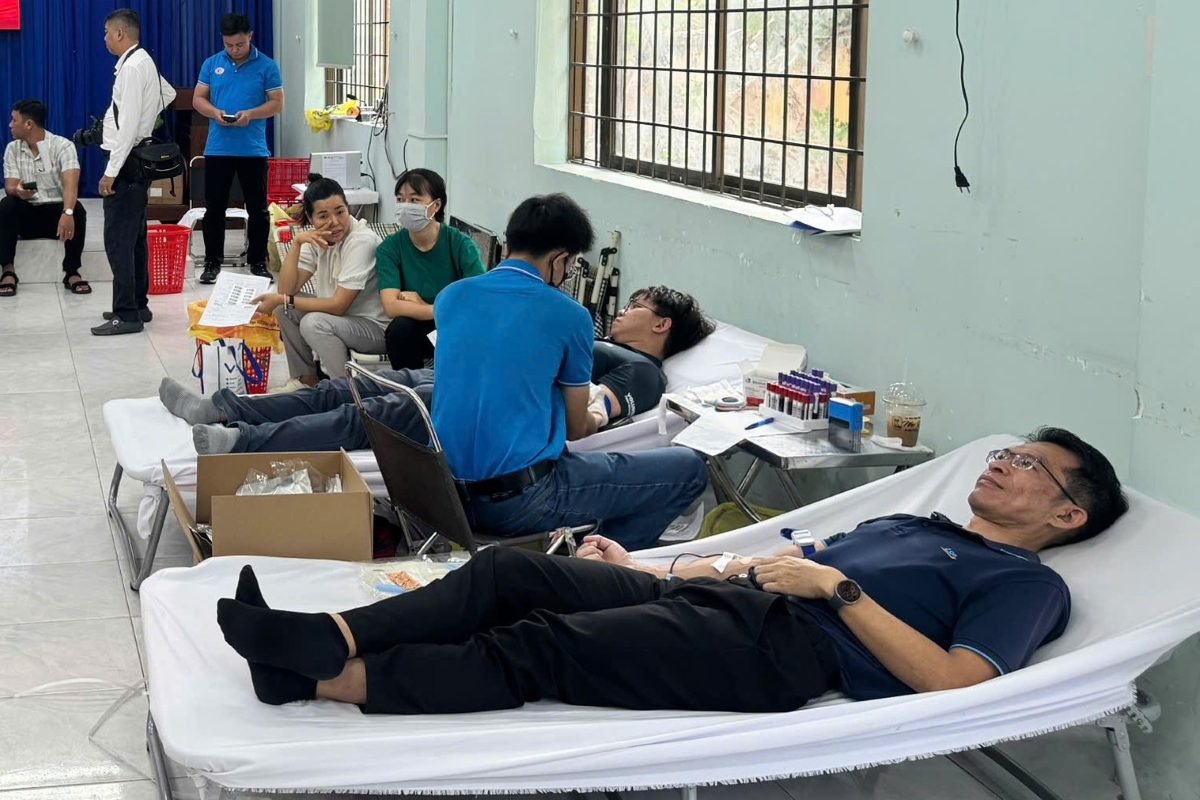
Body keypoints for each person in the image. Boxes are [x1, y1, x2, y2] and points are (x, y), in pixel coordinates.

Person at [215, 427, 1128, 715]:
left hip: (780, 653)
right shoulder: (915, 519)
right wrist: (661, 564)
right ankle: (321, 637)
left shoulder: (1026, 587)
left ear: (1067, 514)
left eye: (1030, 465)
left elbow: (955, 683)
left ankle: (318, 681)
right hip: (720, 596)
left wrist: (836, 590)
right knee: (509, 578)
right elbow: (780, 560)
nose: (1003, 462)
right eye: (1006, 450)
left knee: (541, 646)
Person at [156, 283, 713, 468]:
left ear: (661, 324)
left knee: (362, 417)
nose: (623, 309)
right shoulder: (593, 338)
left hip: (481, 410)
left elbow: (589, 418)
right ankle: (224, 408)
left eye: (637, 304)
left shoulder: (641, 371)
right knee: (340, 387)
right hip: (461, 381)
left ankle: (239, 442)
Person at [251, 178, 388, 390]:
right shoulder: (318, 238)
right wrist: (297, 243)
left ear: (348, 209)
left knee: (312, 322)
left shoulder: (361, 241)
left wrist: (284, 299)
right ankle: (306, 381)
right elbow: (286, 289)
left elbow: (338, 305)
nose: (334, 222)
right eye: (323, 216)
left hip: (373, 328)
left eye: (340, 212)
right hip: (341, 319)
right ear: (311, 218)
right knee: (282, 309)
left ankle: (344, 391)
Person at [92, 8, 176, 336]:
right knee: (136, 237)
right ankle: (138, 304)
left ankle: (126, 314)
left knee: (118, 240)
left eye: (106, 33)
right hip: (140, 158)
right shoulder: (143, 61)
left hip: (126, 161)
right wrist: (145, 119)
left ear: (119, 34)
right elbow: (166, 94)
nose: (104, 39)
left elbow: (126, 128)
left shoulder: (130, 68)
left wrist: (110, 172)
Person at [193, 12, 284, 284]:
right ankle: (212, 262)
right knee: (214, 208)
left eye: (240, 45)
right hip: (218, 148)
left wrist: (251, 114)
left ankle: (258, 261)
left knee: (257, 209)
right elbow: (199, 99)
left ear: (250, 37)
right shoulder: (212, 64)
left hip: (253, 150)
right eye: (229, 45)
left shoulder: (267, 66)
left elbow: (277, 103)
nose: (234, 50)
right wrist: (215, 112)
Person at [376, 168, 485, 368]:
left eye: (414, 200)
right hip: (421, 326)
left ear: (436, 205)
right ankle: (411, 394)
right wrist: (438, 309)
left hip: (456, 325)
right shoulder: (389, 248)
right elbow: (391, 305)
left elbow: (478, 299)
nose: (405, 206)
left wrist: (421, 304)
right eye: (400, 200)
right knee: (399, 330)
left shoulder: (460, 244)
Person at [1, 99, 89, 297]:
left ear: (29, 124)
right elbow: (9, 186)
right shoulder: (12, 149)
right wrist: (18, 191)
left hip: (56, 217)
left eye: (13, 120)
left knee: (78, 210)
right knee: (6, 205)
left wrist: (67, 212)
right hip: (27, 213)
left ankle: (72, 271)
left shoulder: (62, 146)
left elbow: (71, 184)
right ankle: (8, 270)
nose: (10, 125)